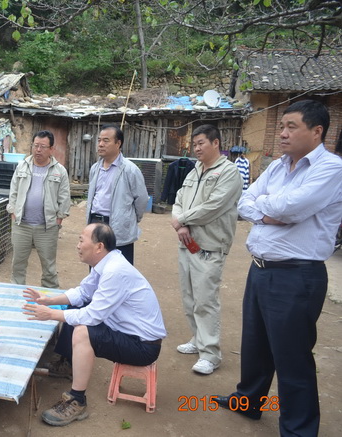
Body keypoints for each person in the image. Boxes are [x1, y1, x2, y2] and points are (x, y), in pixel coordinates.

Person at [214, 100, 342, 436]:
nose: (282, 133)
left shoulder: (331, 169)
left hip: (296, 275)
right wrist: (269, 212)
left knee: (292, 356)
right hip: (261, 269)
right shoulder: (278, 166)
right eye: (281, 126)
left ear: (317, 131)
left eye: (291, 127)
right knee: (255, 344)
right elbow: (245, 201)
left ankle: (299, 429)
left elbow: (292, 207)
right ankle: (248, 401)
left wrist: (268, 208)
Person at [22, 223, 166, 427]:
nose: (77, 245)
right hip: (127, 333)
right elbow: (83, 293)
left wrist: (51, 314)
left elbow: (91, 316)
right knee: (78, 306)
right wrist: (48, 300)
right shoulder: (106, 264)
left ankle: (77, 400)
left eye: (82, 240)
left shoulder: (115, 271)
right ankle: (67, 364)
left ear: (99, 247)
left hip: (142, 347)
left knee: (83, 330)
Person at [170, 124, 243, 375]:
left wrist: (182, 220)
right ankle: (197, 338)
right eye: (194, 144)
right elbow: (179, 199)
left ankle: (210, 354)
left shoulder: (229, 172)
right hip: (187, 243)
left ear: (215, 143)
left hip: (209, 246)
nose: (197, 148)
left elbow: (214, 206)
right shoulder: (195, 170)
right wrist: (180, 223)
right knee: (189, 297)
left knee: (205, 299)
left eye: (201, 143)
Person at [7, 130, 70, 288]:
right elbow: (13, 192)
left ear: (51, 149)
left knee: (49, 266)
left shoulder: (59, 171)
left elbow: (64, 197)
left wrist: (58, 219)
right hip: (21, 225)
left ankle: (50, 295)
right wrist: (13, 212)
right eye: (35, 146)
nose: (38, 150)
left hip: (47, 227)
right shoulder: (22, 166)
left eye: (43, 146)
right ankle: (16, 293)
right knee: (18, 264)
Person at [86, 124, 148, 264]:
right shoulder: (95, 168)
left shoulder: (130, 170)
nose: (100, 144)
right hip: (95, 222)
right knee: (96, 266)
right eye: (99, 140)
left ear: (118, 143)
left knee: (119, 267)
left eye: (106, 140)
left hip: (117, 226)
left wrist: (129, 218)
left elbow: (142, 199)